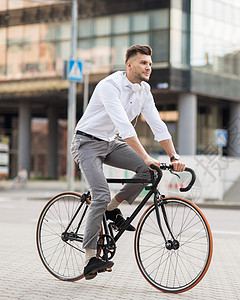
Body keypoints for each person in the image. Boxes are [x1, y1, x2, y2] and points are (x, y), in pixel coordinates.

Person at [70, 44, 185, 280]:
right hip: (86, 143)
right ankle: (90, 257)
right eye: (143, 63)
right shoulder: (109, 86)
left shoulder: (144, 90)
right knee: (99, 194)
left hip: (110, 143)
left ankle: (112, 208)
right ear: (129, 65)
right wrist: (145, 154)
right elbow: (123, 125)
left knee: (148, 171)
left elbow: (157, 124)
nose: (148, 67)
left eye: (150, 64)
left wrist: (174, 156)